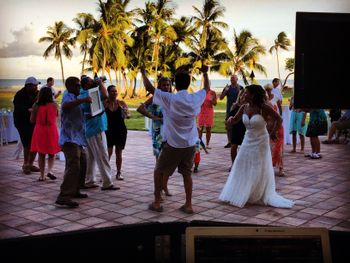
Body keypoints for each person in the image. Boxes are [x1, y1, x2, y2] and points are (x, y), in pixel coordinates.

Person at [141, 65, 209, 214]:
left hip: (173, 144)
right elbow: (207, 89)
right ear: (188, 83)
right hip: (190, 144)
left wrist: (143, 72)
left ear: (175, 85)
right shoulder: (195, 98)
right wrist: (205, 73)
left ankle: (157, 202)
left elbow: (149, 87)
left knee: (159, 170)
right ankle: (189, 205)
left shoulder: (170, 99)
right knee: (187, 174)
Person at [219, 84, 294, 208]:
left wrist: (272, 132)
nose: (243, 95)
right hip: (247, 140)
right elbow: (236, 119)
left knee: (257, 167)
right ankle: (243, 191)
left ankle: (256, 193)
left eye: (246, 93)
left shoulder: (263, 107)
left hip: (261, 141)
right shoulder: (243, 107)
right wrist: (230, 120)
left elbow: (278, 119)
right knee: (241, 164)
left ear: (253, 95)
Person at [55, 76, 90, 208]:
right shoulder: (67, 95)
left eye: (79, 85)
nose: (79, 87)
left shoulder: (75, 97)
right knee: (73, 166)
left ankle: (75, 190)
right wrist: (84, 99)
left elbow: (78, 114)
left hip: (78, 139)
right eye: (76, 85)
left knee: (82, 163)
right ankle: (64, 196)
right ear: (69, 86)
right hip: (69, 139)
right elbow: (65, 106)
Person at [79, 76, 119, 190]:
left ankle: (89, 180)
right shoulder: (90, 94)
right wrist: (100, 83)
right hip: (96, 128)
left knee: (91, 157)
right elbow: (106, 96)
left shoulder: (84, 93)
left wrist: (99, 84)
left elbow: (104, 95)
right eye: (91, 81)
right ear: (86, 85)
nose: (93, 82)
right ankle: (107, 182)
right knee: (102, 155)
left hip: (90, 129)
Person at [137, 77, 172, 196]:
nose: (166, 87)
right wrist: (154, 118)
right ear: (159, 87)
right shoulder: (155, 98)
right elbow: (140, 108)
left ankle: (165, 187)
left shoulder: (172, 98)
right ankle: (158, 190)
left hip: (170, 134)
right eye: (164, 85)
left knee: (168, 164)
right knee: (160, 164)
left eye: (168, 85)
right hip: (158, 135)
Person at [30, 87, 60, 181]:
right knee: (52, 153)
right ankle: (50, 171)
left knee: (41, 153)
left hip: (40, 130)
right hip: (51, 129)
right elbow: (57, 116)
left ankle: (42, 176)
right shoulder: (55, 104)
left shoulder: (36, 105)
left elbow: (32, 120)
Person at [13, 77, 40, 174]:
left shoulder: (37, 93)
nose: (37, 87)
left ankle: (30, 164)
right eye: (34, 86)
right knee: (27, 143)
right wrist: (29, 109)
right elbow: (19, 108)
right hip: (21, 122)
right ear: (28, 86)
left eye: (37, 85)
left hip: (32, 121)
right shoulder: (20, 94)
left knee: (35, 142)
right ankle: (25, 165)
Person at [104, 85, 129, 181]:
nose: (114, 93)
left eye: (115, 91)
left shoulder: (121, 103)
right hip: (108, 130)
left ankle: (119, 173)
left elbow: (127, 116)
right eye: (112, 91)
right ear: (108, 92)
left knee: (119, 152)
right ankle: (105, 173)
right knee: (108, 153)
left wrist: (126, 113)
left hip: (120, 130)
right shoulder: (105, 104)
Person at [265, 84, 285, 177]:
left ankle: (281, 168)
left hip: (277, 126)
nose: (268, 91)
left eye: (269, 90)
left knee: (279, 148)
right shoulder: (264, 102)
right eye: (266, 90)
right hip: (268, 128)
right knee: (269, 149)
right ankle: (269, 167)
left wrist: (280, 119)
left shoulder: (275, 98)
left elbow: (279, 111)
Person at [219, 75, 243, 148]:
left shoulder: (241, 88)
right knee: (228, 126)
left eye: (233, 78)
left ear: (237, 79)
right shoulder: (228, 88)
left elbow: (243, 99)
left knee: (239, 126)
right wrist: (225, 91)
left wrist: (239, 91)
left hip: (239, 109)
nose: (232, 80)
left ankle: (238, 142)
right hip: (229, 110)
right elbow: (221, 98)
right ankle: (229, 142)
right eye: (231, 79)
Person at [228, 88, 246, 165]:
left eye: (245, 94)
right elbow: (230, 117)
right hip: (236, 128)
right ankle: (233, 164)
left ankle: (243, 164)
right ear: (239, 96)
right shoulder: (235, 106)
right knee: (233, 147)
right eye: (242, 95)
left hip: (245, 128)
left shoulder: (249, 107)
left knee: (244, 148)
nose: (243, 96)